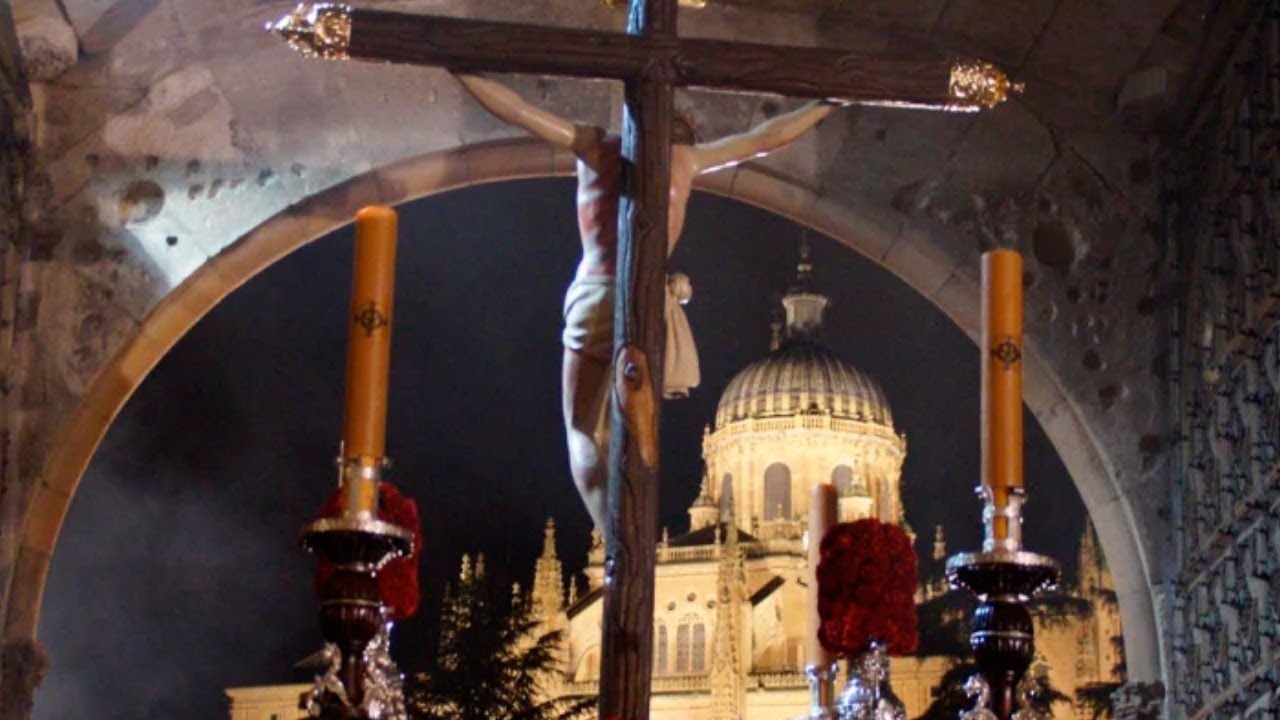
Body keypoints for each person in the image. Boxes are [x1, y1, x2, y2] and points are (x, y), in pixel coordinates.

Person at [455, 73, 844, 532]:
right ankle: (634, 503)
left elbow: (517, 110)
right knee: (639, 422)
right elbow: (767, 137)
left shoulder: (592, 147)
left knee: (582, 432)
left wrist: (462, 71)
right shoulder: (688, 159)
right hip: (649, 298)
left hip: (595, 293)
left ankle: (614, 532)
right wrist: (831, 99)